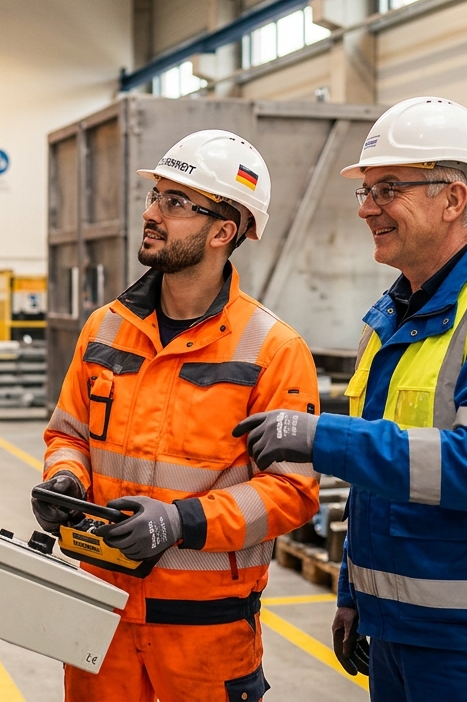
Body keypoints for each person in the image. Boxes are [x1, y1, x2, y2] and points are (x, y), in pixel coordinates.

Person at [234, 97, 467, 702]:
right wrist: (353, 592)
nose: (367, 209)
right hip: (397, 624)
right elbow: (383, 481)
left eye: (388, 188)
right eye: (366, 191)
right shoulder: (396, 318)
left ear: (452, 198)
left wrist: (322, 438)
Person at [36, 130, 321, 702]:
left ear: (223, 231)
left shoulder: (273, 350)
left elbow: (292, 491)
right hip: (100, 616)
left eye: (175, 202)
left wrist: (182, 523)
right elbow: (68, 433)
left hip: (206, 635)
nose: (151, 214)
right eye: (155, 197)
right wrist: (65, 478)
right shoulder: (105, 328)